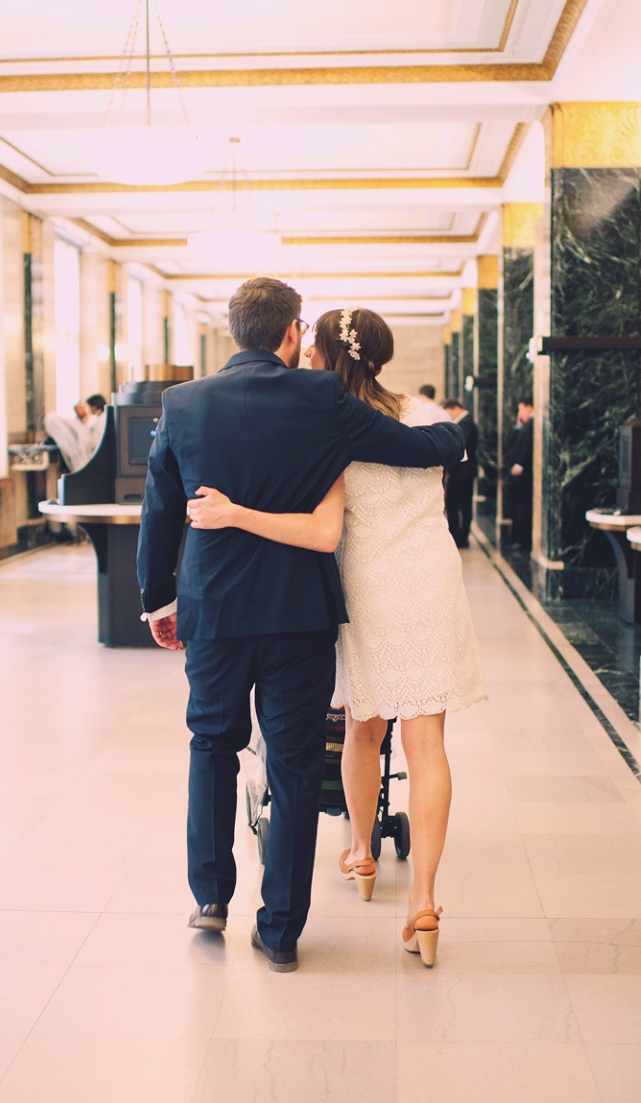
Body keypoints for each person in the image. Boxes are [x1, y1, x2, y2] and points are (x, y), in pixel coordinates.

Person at [136, 278, 464, 974]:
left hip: (215, 612)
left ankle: (210, 896)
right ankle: (280, 930)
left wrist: (159, 603)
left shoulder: (182, 403)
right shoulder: (321, 400)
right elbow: (410, 447)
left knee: (211, 748)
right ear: (291, 334)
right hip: (299, 616)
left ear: (235, 333)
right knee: (290, 767)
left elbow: (159, 511)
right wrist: (456, 434)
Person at [441, 398, 478, 549]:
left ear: (456, 408)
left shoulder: (466, 423)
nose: (449, 416)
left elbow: (460, 448)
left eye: (449, 412)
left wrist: (449, 469)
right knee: (461, 505)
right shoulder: (464, 423)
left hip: (461, 472)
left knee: (455, 504)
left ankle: (459, 537)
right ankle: (460, 536)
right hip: (463, 472)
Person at [43, 393, 107, 472]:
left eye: (87, 407)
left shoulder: (97, 421)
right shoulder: (98, 420)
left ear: (95, 408)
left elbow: (94, 442)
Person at [509, 397, 534, 551]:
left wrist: (520, 464)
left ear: (529, 407)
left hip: (523, 475)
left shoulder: (533, 424)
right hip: (519, 474)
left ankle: (523, 540)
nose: (520, 413)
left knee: (522, 508)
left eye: (521, 409)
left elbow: (528, 445)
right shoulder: (527, 424)